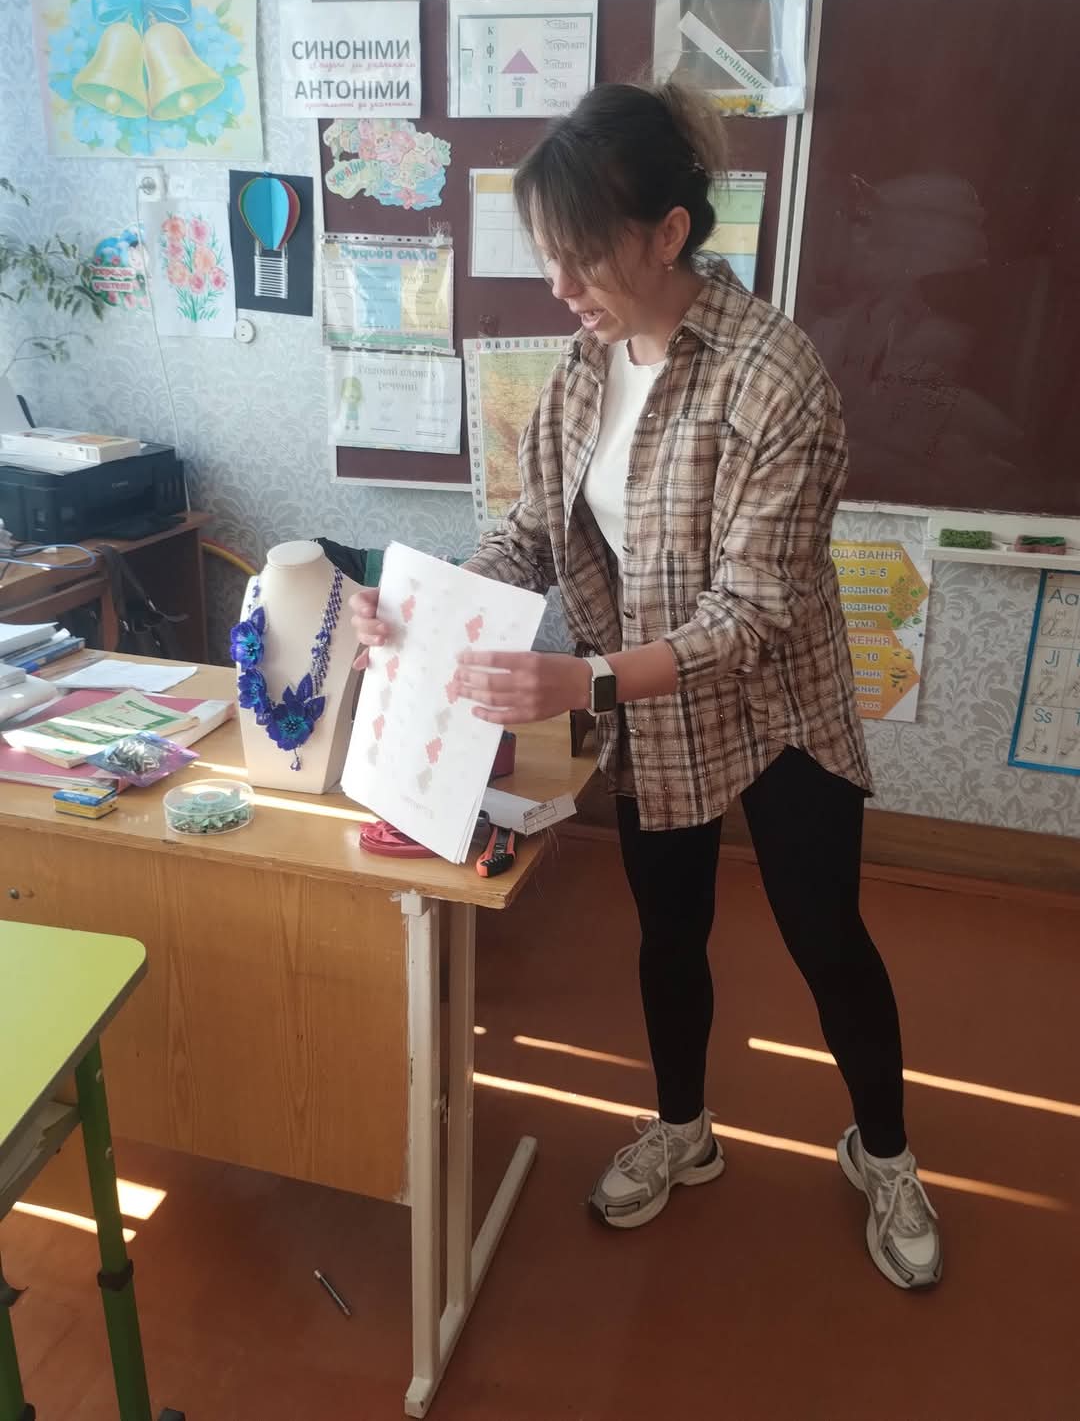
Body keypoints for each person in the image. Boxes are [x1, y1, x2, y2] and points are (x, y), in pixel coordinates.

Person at [349, 82, 942, 1291]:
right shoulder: (582, 370)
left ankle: (884, 1152)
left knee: (826, 937)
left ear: (669, 233)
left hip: (776, 707)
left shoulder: (777, 378)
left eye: (582, 256)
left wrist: (583, 679)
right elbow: (528, 531)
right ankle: (684, 1129)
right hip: (651, 710)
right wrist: (419, 607)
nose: (560, 287)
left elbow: (753, 612)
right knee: (669, 931)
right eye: (549, 257)